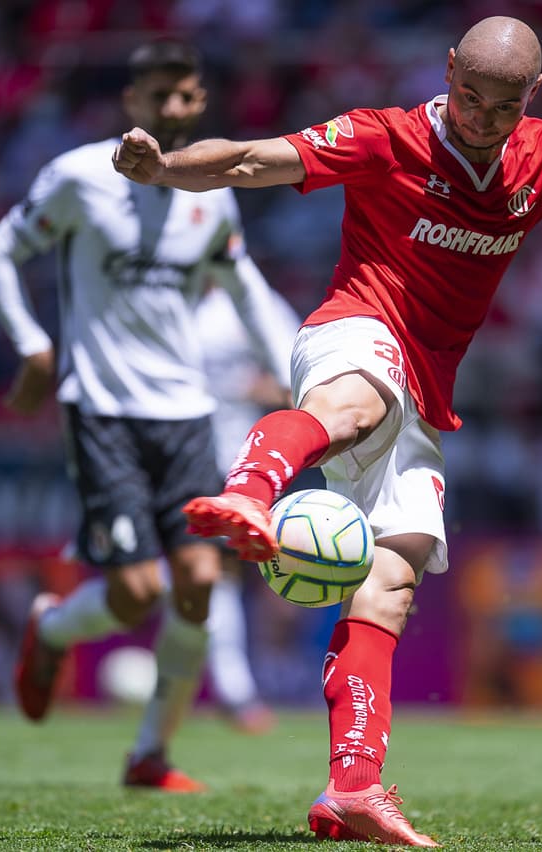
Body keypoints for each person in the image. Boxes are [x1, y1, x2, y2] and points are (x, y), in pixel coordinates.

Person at [115, 15, 542, 846]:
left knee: (392, 581)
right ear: (447, 70)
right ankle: (249, 490)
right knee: (355, 408)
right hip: (352, 331)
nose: (482, 119)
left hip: (429, 389)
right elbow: (250, 158)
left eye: (501, 105)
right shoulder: (384, 137)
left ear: (533, 93)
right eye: (468, 97)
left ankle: (353, 787)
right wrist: (163, 167)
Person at [0, 38, 291, 792]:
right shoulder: (79, 178)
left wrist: (290, 374)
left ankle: (150, 753)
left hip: (185, 412)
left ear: (201, 100)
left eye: (186, 96)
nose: (173, 109)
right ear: (132, 103)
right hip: (104, 410)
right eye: (158, 96)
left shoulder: (212, 189)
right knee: (136, 594)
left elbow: (242, 282)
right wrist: (33, 347)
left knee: (198, 582)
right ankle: (50, 629)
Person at [194, 278, 300, 733]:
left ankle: (262, 680)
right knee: (213, 572)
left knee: (270, 575)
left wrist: (251, 387)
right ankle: (236, 690)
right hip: (187, 456)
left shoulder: (254, 298)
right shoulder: (155, 296)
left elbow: (299, 378)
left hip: (254, 460)